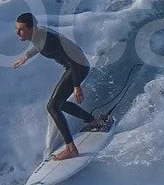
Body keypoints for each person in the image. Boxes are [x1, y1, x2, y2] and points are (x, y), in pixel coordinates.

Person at [11, 14, 111, 160]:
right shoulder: (38, 34)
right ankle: (93, 121)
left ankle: (71, 148)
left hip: (77, 66)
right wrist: (26, 56)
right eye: (16, 28)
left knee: (52, 107)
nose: (17, 32)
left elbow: (72, 59)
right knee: (60, 104)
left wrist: (76, 85)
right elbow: (37, 47)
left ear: (31, 28)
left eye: (20, 29)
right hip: (74, 66)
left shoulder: (47, 42)